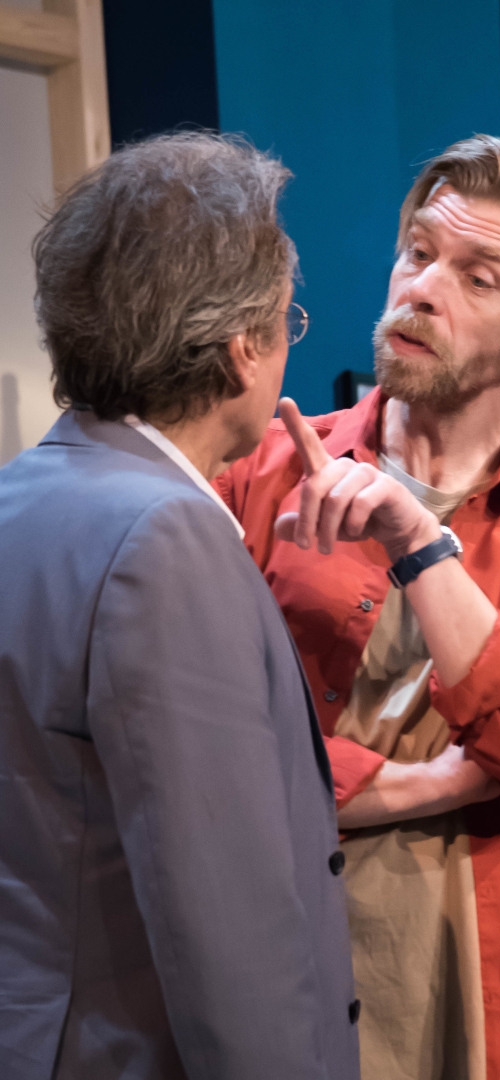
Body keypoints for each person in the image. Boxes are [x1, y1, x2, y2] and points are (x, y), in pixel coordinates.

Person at [214, 134, 500, 1080]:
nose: (421, 288)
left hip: (472, 975)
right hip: (271, 955)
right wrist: (449, 779)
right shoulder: (253, 473)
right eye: (417, 252)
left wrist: (419, 541)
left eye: (477, 277)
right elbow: (207, 757)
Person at [0, 134, 360, 1080]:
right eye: (288, 322)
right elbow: (228, 929)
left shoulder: (21, 498)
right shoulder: (166, 539)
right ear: (243, 349)